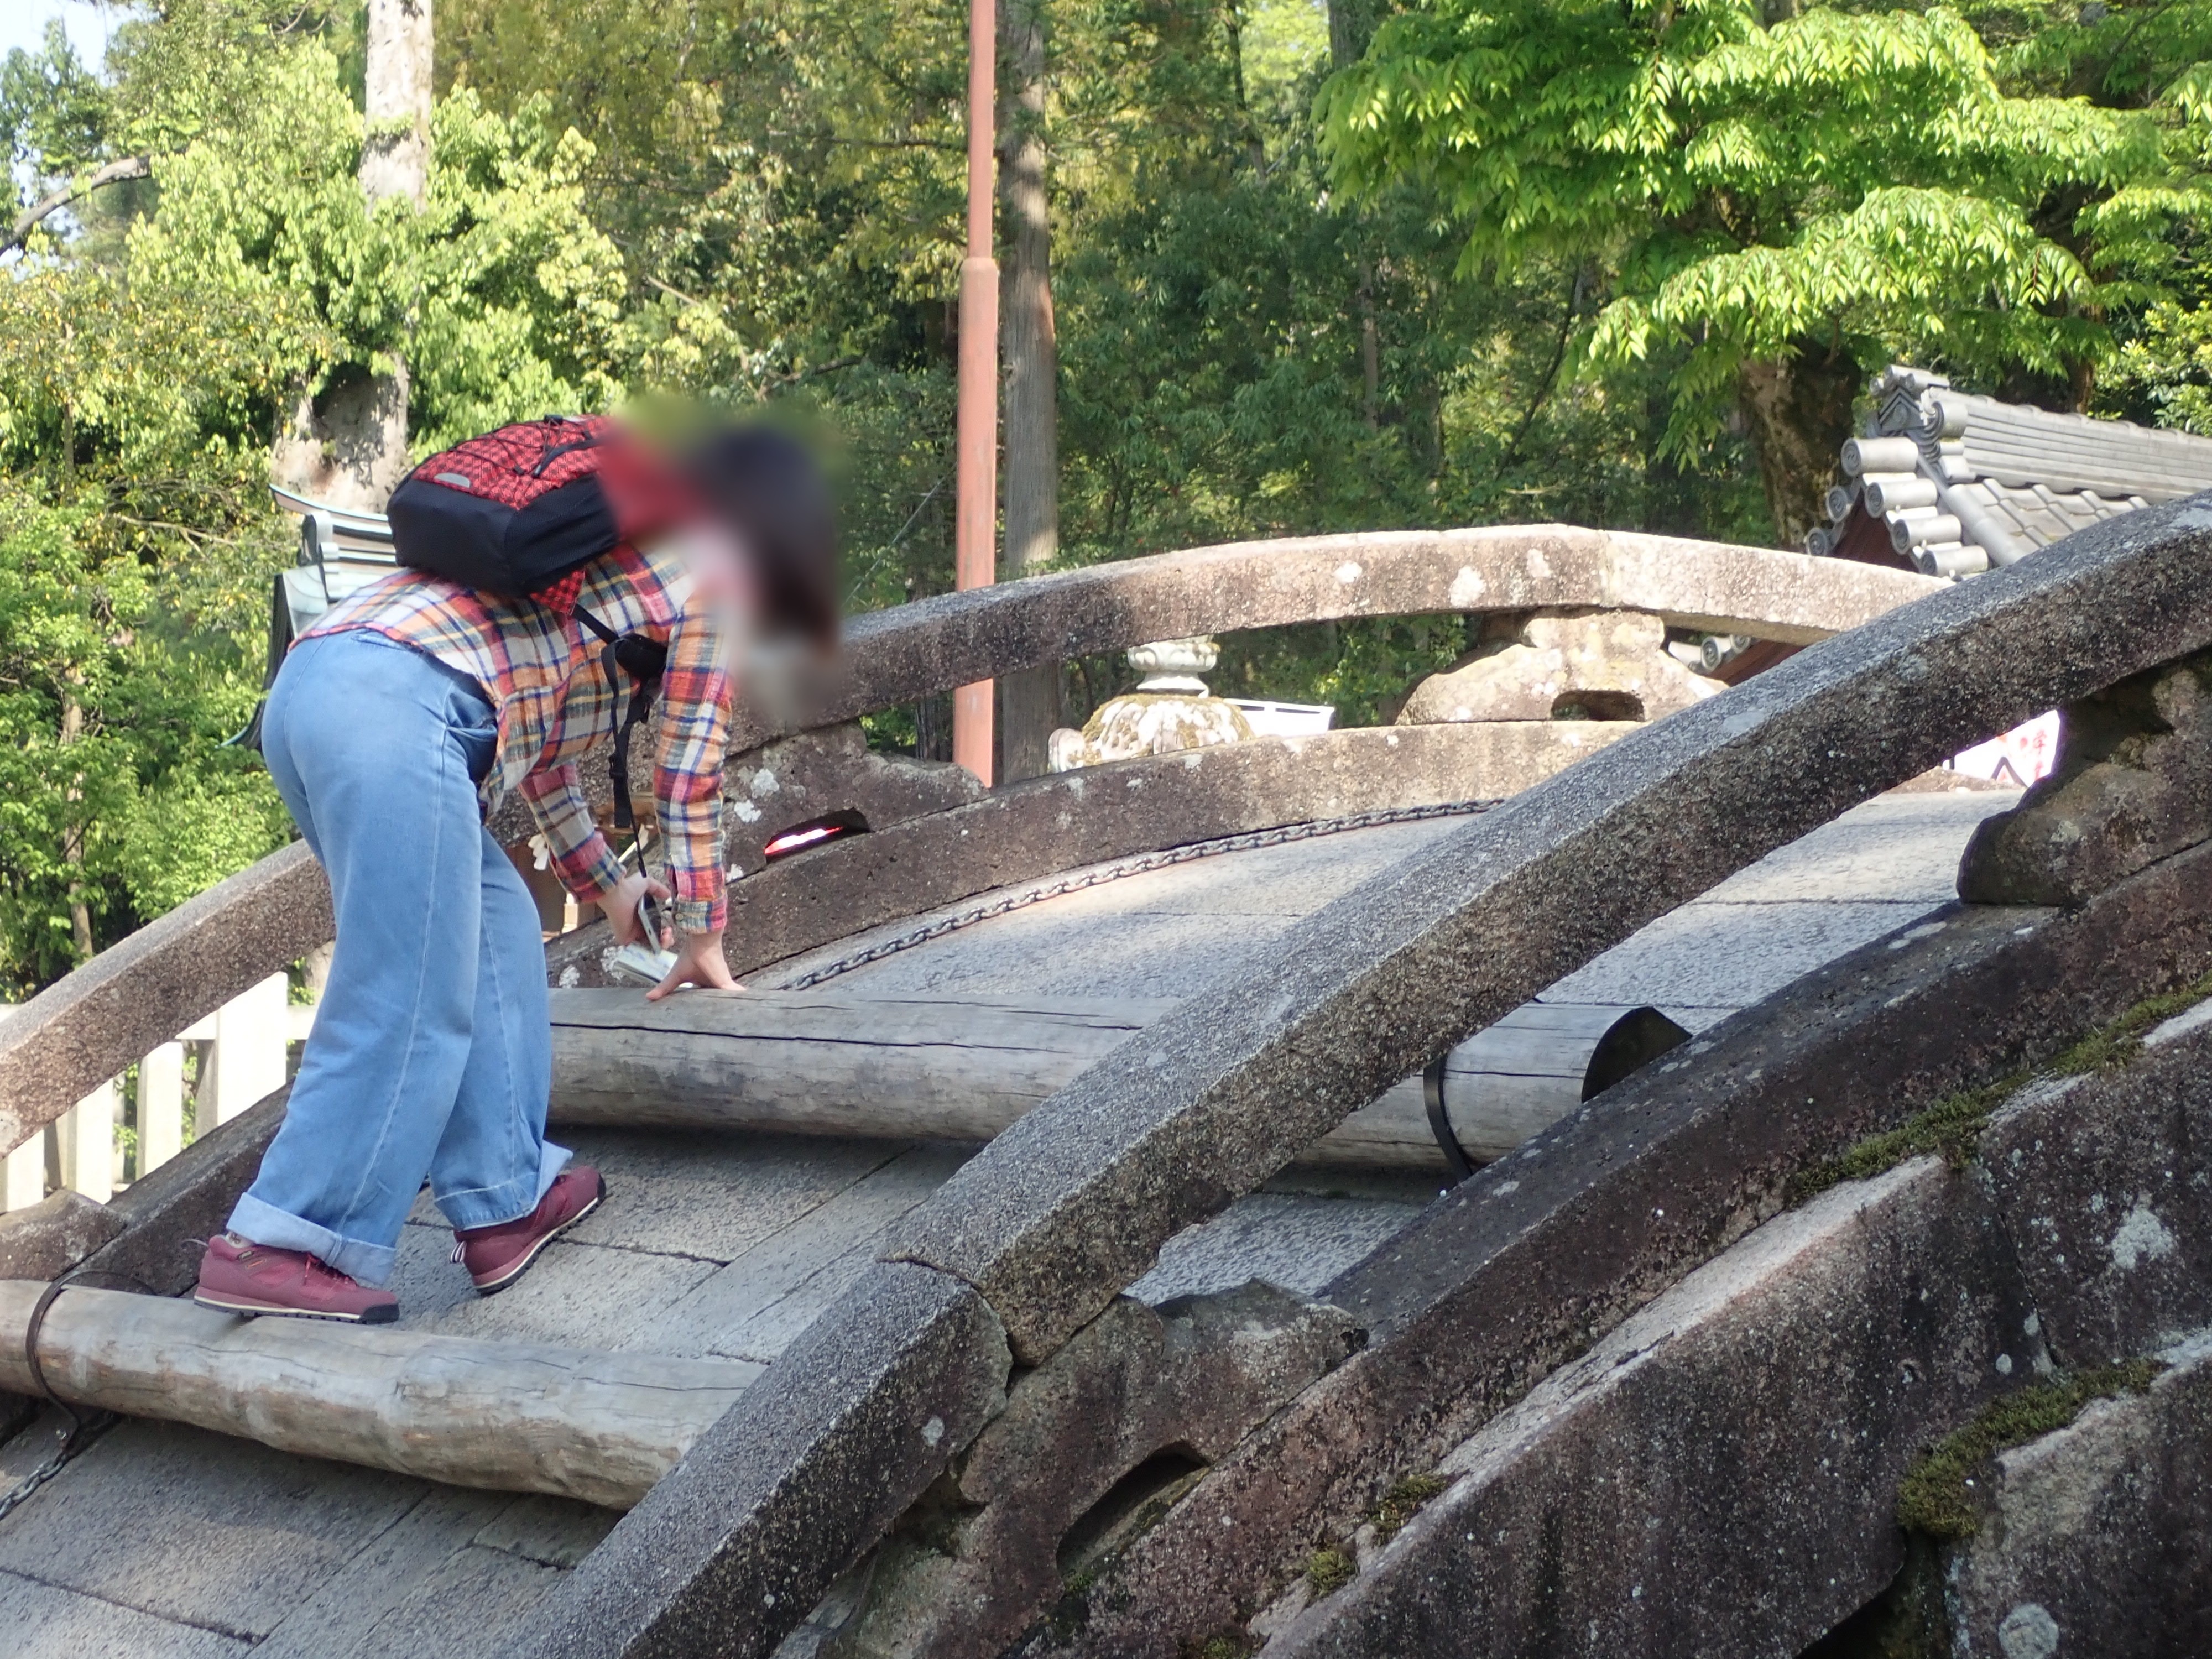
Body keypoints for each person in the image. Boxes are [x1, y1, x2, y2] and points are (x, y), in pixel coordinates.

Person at [194, 424, 837, 1323]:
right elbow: (688, 773)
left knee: (492, 923)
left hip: (321, 683)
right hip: (405, 706)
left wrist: (609, 887)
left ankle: (505, 1196)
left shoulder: (606, 552)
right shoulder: (716, 568)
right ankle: (288, 1237)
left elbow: (540, 751)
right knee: (412, 987)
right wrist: (702, 929)